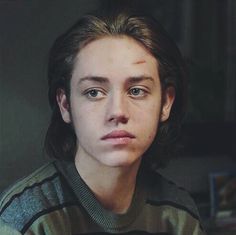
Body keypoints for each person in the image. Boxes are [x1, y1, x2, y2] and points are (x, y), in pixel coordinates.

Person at [0, 9, 206, 235]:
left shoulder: (178, 216)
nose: (117, 111)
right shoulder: (25, 219)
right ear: (65, 105)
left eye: (137, 91)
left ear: (165, 103)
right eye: (94, 93)